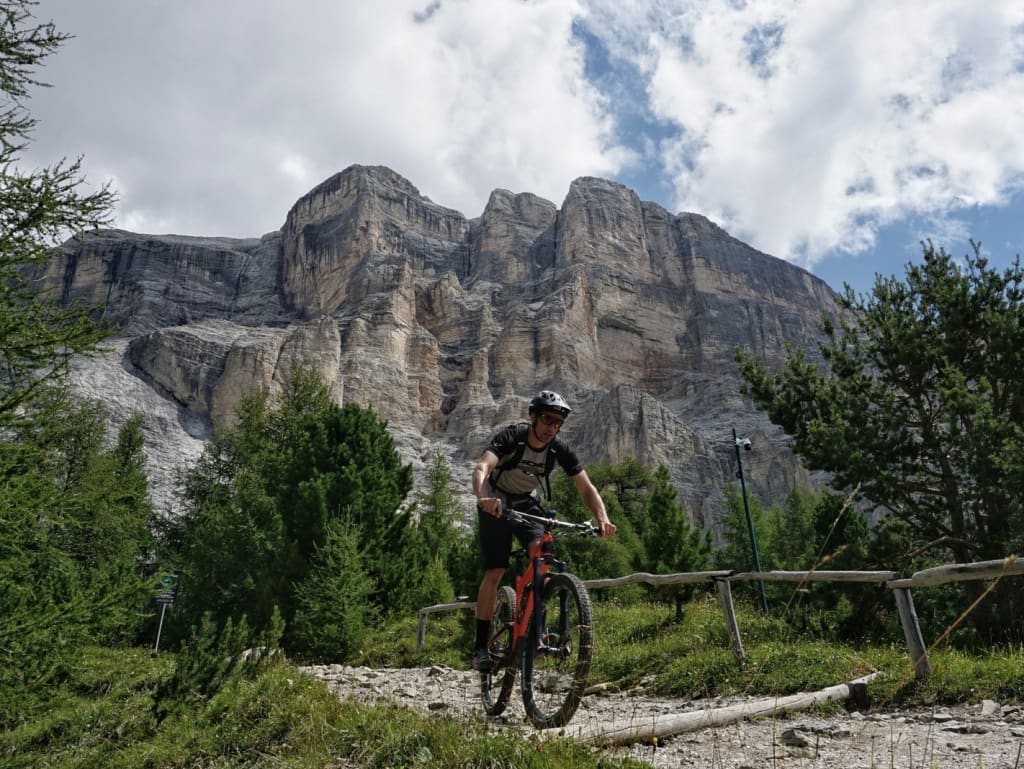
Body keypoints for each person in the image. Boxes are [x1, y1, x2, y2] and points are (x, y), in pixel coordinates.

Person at [470, 389, 616, 671]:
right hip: (496, 500)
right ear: (533, 417)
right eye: (548, 420)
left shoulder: (558, 449)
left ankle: (536, 625)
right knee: (495, 572)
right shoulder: (513, 436)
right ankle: (479, 648)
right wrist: (483, 498)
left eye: (558, 423)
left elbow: (586, 488)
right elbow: (482, 468)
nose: (552, 427)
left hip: (526, 503)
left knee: (543, 552)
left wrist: (603, 518)